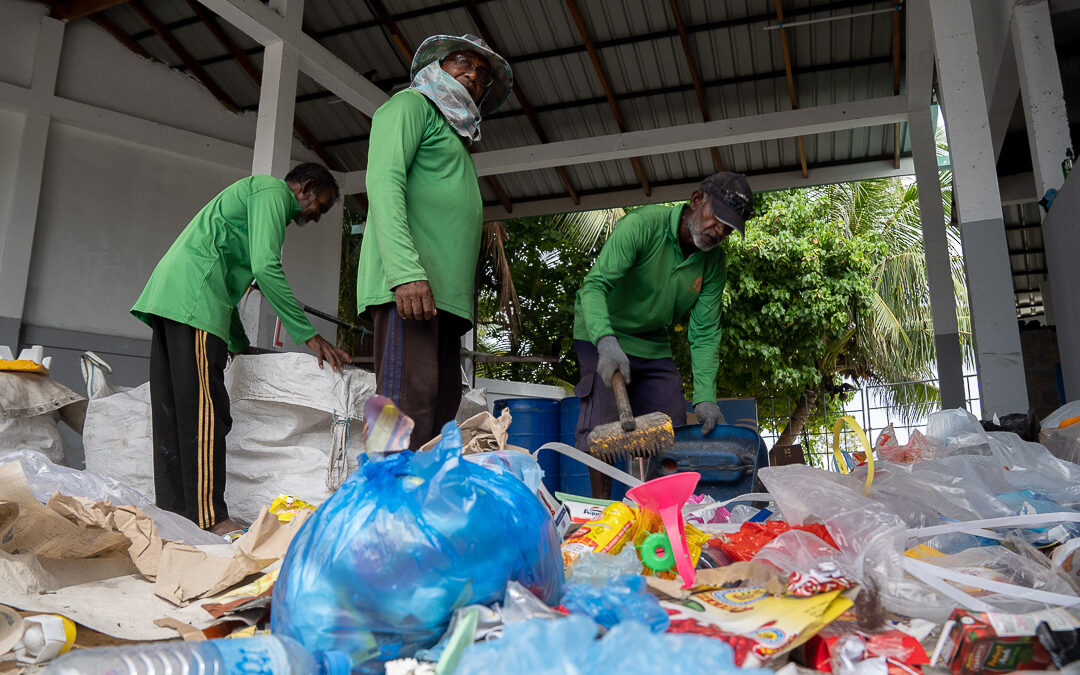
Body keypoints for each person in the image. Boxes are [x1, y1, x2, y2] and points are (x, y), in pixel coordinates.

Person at [131, 163, 351, 535]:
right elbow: (266, 267)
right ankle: (211, 518)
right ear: (307, 188)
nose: (315, 217)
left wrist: (239, 345)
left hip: (172, 298)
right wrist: (309, 335)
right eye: (321, 207)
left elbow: (228, 279)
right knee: (205, 414)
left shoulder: (252, 202)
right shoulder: (272, 193)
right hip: (194, 303)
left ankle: (173, 516)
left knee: (174, 414)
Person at [357, 34, 512, 448]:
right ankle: (384, 508)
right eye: (463, 62)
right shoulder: (410, 106)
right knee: (403, 410)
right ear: (436, 65)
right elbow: (384, 181)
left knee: (438, 409)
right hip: (409, 289)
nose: (474, 75)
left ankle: (417, 509)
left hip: (442, 301)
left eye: (482, 75)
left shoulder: (455, 135)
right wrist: (406, 271)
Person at [572, 172, 754, 498]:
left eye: (728, 228)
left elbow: (705, 331)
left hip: (651, 341)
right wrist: (606, 341)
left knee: (671, 422)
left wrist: (706, 397)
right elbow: (594, 286)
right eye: (718, 219)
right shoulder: (642, 226)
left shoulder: (713, 263)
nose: (719, 231)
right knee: (602, 425)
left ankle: (660, 510)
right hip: (601, 329)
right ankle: (602, 514)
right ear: (697, 201)